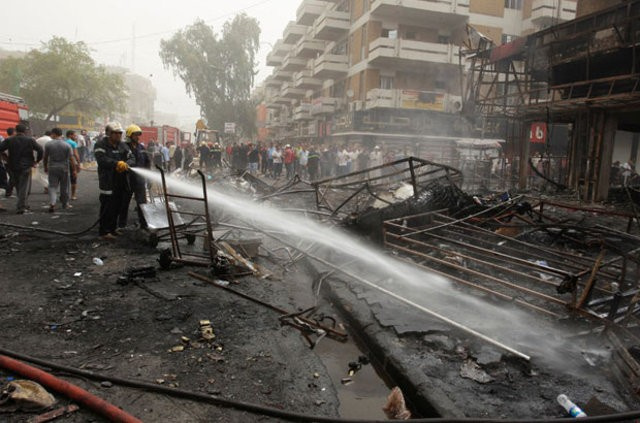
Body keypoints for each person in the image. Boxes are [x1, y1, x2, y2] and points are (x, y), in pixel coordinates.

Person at [94, 121, 135, 241]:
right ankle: (104, 231)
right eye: (115, 133)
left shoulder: (123, 145)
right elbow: (101, 160)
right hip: (108, 181)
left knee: (118, 206)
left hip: (121, 181)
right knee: (107, 206)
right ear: (108, 133)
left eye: (119, 133)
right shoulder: (100, 145)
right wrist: (116, 163)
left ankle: (113, 229)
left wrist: (126, 164)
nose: (118, 135)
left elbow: (132, 158)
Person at [0, 124, 43, 214]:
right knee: (24, 187)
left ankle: (23, 204)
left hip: (13, 166)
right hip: (26, 166)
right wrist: (36, 161)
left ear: (16, 130)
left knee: (19, 186)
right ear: (25, 131)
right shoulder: (30, 140)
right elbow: (40, 150)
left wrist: (5, 157)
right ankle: (22, 207)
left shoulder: (9, 140)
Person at [119, 124, 150, 229]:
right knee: (124, 203)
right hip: (127, 180)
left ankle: (144, 224)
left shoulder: (141, 147)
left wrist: (149, 179)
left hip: (140, 180)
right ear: (129, 135)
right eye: (135, 134)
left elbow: (147, 163)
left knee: (142, 203)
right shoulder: (123, 147)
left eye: (138, 135)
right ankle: (121, 224)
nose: (138, 137)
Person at [43, 128, 72, 213]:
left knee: (52, 186)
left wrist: (45, 166)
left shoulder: (48, 144)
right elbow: (71, 158)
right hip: (64, 168)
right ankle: (65, 204)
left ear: (54, 134)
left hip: (52, 167)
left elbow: (45, 157)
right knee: (64, 187)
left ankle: (52, 203)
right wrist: (74, 169)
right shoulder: (67, 145)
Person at [65, 130, 81, 200]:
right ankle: (73, 195)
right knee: (73, 179)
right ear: (70, 135)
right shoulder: (73, 143)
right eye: (74, 135)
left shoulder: (64, 142)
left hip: (64, 163)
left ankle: (64, 195)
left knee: (64, 180)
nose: (76, 137)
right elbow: (75, 154)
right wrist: (78, 162)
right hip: (72, 163)